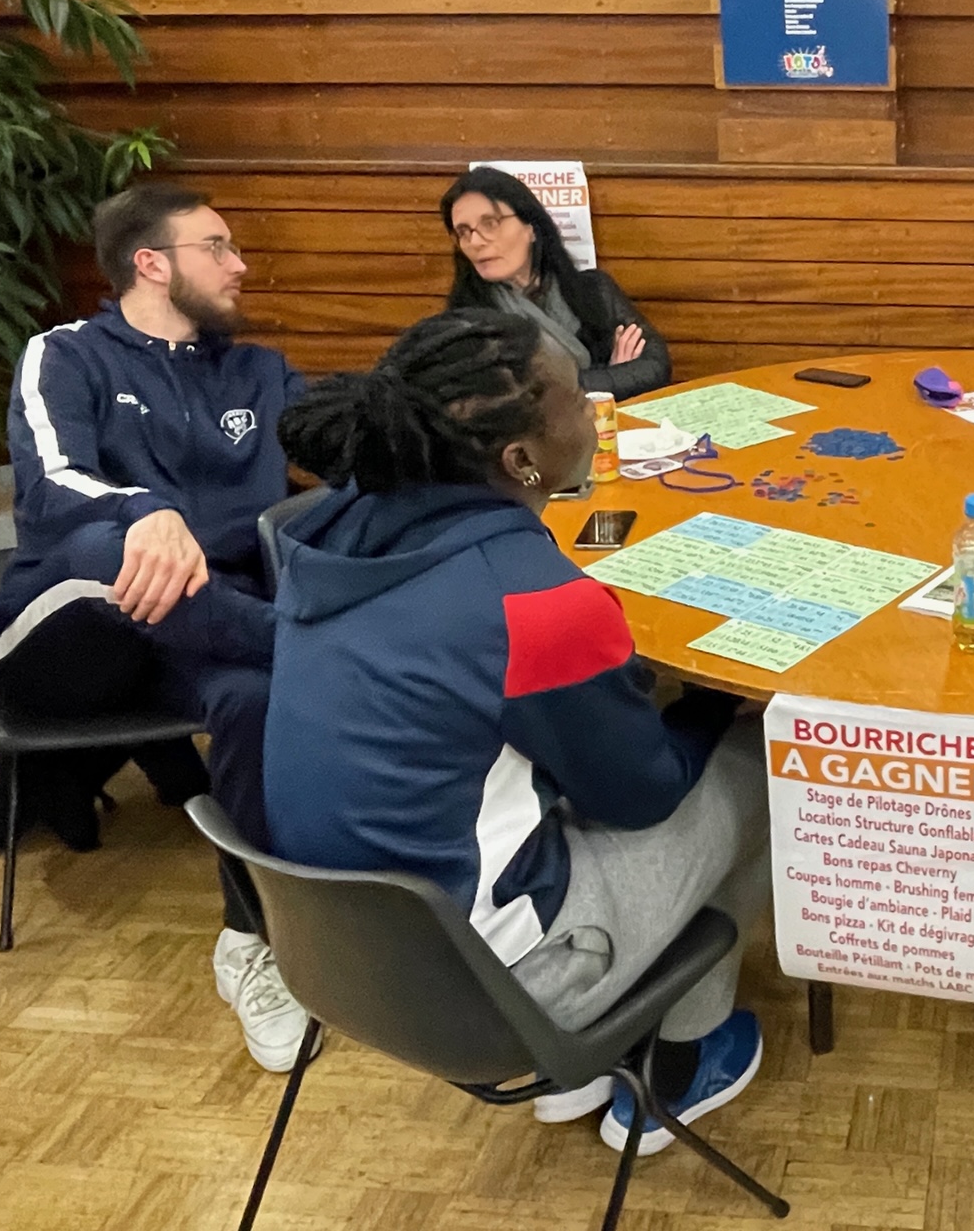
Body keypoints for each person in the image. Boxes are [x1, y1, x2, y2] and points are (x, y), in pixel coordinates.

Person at [265, 309, 767, 1155]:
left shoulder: (328, 529)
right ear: (521, 459)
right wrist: (714, 703)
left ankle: (626, 1030)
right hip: (501, 990)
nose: (596, 407)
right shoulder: (531, 599)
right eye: (576, 395)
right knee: (755, 764)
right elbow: (643, 798)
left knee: (574, 759)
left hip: (335, 958)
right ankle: (680, 1058)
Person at [0, 181, 313, 1072]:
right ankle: (321, 647)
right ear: (151, 263)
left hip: (207, 630)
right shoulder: (66, 354)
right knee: (110, 552)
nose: (240, 265)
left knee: (256, 694)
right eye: (218, 247)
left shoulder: (260, 372)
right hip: (64, 633)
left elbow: (350, 447)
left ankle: (248, 941)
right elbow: (49, 483)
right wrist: (145, 511)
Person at [442, 166, 671, 399]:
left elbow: (655, 366)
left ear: (531, 227)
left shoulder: (593, 289)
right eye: (463, 232)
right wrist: (613, 377)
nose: (475, 242)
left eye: (490, 223)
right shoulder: (466, 324)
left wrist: (585, 385)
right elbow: (523, 395)